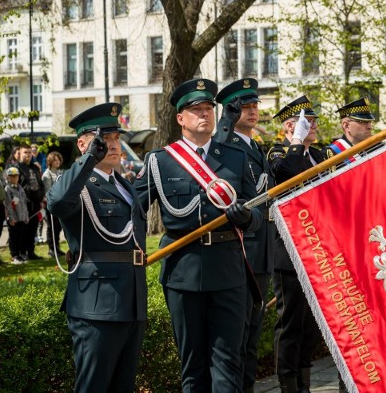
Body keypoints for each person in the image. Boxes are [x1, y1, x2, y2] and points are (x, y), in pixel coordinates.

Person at [134, 78, 263, 392]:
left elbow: (260, 213)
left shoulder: (235, 156)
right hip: (183, 273)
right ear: (180, 118)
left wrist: (247, 217)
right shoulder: (159, 162)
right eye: (196, 110)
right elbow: (130, 212)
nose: (205, 114)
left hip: (229, 270)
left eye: (208, 108)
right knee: (192, 367)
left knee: (228, 361)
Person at [47, 102, 147, 393]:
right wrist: (89, 160)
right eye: (103, 138)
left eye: (116, 138)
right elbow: (56, 203)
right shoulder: (78, 184)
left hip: (131, 302)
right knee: (93, 387)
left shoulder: (124, 186)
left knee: (122, 387)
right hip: (96, 306)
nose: (112, 145)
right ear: (83, 144)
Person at [214, 78, 276, 393]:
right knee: (236, 339)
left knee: (251, 336)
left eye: (255, 106)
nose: (253, 112)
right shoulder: (226, 146)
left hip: (261, 250)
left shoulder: (254, 146)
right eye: (245, 106)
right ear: (231, 110)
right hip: (241, 251)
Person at [267, 95, 325, 393]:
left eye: (313, 121)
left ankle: (305, 381)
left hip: (318, 248)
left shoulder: (320, 153)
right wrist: (296, 143)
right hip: (289, 251)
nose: (314, 126)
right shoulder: (277, 152)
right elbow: (288, 174)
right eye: (308, 122)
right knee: (290, 321)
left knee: (312, 324)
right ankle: (288, 384)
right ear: (291, 125)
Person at [13, 143, 45, 260]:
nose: (28, 155)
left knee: (32, 229)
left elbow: (40, 184)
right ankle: (21, 252)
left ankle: (30, 252)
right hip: (23, 203)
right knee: (22, 229)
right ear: (20, 154)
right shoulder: (16, 168)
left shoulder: (35, 168)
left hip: (36, 203)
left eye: (29, 152)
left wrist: (41, 199)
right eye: (25, 152)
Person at [41, 151, 65, 258]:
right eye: (55, 160)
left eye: (58, 160)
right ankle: (51, 249)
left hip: (60, 204)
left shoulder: (60, 173)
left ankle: (57, 247)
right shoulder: (47, 175)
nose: (57, 162)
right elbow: (48, 191)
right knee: (52, 227)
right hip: (51, 204)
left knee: (58, 227)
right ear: (50, 161)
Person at [3, 166, 29, 265]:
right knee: (13, 237)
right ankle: (14, 255)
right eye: (12, 176)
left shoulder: (20, 188)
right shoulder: (8, 189)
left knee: (20, 236)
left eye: (16, 176)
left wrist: (26, 216)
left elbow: (24, 203)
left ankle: (20, 254)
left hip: (22, 217)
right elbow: (8, 205)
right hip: (14, 218)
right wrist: (11, 218)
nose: (14, 178)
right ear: (8, 177)